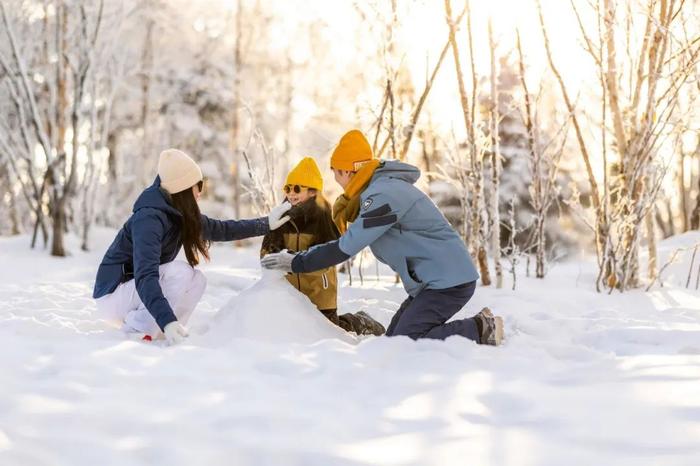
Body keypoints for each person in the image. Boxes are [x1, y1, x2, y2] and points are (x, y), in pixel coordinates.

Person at [262, 130, 504, 345]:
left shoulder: (383, 195)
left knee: (409, 342)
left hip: (449, 282)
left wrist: (297, 262)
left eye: (336, 172)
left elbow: (346, 247)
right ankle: (476, 327)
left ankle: (481, 328)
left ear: (348, 170)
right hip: (431, 283)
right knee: (393, 342)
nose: (336, 179)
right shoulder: (376, 192)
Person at [93, 148, 291, 345]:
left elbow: (222, 229)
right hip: (113, 295)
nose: (200, 192)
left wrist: (266, 224)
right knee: (180, 272)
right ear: (184, 188)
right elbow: (145, 275)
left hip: (134, 293)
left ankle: (168, 332)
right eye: (199, 185)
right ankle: (139, 330)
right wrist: (166, 319)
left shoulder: (178, 212)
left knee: (197, 280)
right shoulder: (149, 218)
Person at [260, 157, 385, 336]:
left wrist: (293, 261)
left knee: (329, 329)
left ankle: (360, 321)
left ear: (312, 192)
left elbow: (328, 256)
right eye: (287, 188)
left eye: (297, 189)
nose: (291, 194)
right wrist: (273, 257)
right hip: (291, 293)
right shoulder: (281, 216)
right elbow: (266, 251)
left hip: (319, 291)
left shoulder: (323, 216)